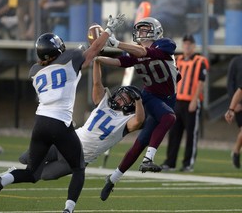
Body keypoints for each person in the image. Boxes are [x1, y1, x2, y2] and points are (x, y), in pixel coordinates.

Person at [0, 13, 125, 213]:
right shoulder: (70, 58)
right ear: (56, 50)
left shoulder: (34, 71)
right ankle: (68, 209)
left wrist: (83, 51)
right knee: (78, 168)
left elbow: (69, 61)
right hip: (60, 124)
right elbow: (93, 50)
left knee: (33, 173)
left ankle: (3, 179)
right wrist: (109, 29)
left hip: (40, 123)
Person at [95, 17, 180, 201]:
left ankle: (112, 178)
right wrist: (97, 57)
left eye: (144, 29)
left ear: (156, 30)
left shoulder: (166, 44)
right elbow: (120, 62)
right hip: (150, 97)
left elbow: (144, 52)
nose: (141, 33)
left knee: (140, 143)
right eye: (139, 30)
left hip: (167, 100)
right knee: (169, 118)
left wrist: (117, 43)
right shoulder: (136, 53)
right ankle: (148, 160)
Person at [18, 59, 145, 181]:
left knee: (45, 175)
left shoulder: (127, 120)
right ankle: (10, 176)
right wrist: (97, 62)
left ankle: (11, 177)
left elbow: (139, 120)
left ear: (131, 105)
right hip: (68, 140)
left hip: (79, 157)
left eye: (124, 99)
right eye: (119, 96)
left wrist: (138, 100)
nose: (118, 99)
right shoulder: (104, 102)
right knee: (24, 159)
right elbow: (97, 82)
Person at [160, 34, 209, 172]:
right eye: (185, 43)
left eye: (189, 44)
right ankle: (170, 162)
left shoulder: (200, 61)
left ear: (194, 46)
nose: (187, 46)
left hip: (191, 102)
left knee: (191, 135)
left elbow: (201, 82)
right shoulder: (178, 60)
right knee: (174, 133)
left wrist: (195, 100)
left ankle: (188, 163)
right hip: (177, 102)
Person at [225, 55, 242, 169]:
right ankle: (236, 151)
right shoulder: (236, 61)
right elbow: (239, 89)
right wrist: (232, 107)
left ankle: (236, 150)